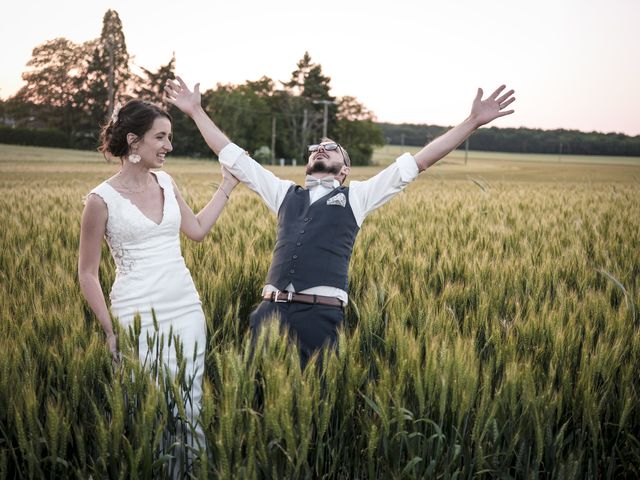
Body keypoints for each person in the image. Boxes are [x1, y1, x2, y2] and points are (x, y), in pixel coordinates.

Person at [164, 77, 515, 368]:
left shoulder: (358, 197)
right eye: (316, 147)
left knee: (314, 412)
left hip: (320, 320)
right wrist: (195, 110)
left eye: (330, 147)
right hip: (268, 314)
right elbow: (232, 155)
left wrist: (472, 122)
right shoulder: (284, 193)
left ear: (344, 170)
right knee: (253, 406)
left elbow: (419, 161)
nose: (320, 148)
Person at [78, 99, 239, 472]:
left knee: (190, 402)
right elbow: (87, 272)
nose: (169, 146)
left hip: (185, 309)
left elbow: (196, 231)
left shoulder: (166, 181)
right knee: (148, 407)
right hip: (137, 317)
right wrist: (109, 330)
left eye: (170, 137)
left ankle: (190, 472)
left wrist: (227, 186)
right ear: (134, 141)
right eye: (161, 137)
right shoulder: (100, 200)